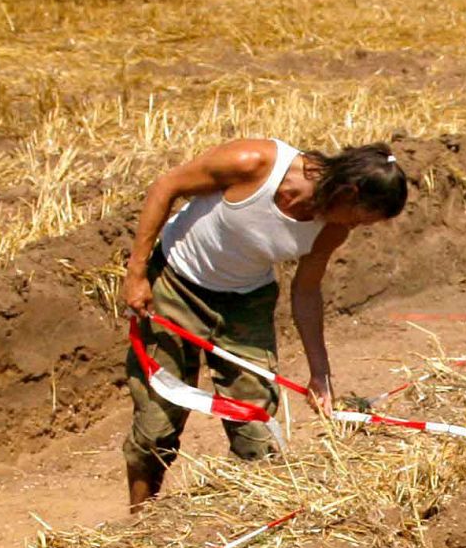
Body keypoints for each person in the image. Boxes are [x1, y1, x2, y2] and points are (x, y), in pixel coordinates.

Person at [119, 139, 407, 511]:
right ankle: (140, 520)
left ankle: (241, 522)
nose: (354, 227)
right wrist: (137, 273)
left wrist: (320, 373)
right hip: (175, 283)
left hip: (245, 304)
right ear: (349, 192)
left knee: (256, 431)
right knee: (156, 425)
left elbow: (306, 291)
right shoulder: (254, 163)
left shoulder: (330, 230)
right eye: (358, 218)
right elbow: (166, 186)